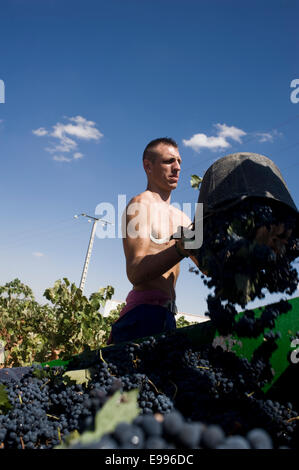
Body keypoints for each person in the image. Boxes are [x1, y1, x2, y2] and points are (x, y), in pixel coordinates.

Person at [107, 137, 195, 345]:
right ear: (148, 166)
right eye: (169, 161)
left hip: (168, 317)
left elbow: (209, 268)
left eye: (180, 162)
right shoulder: (139, 205)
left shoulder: (184, 219)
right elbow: (135, 272)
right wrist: (181, 249)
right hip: (142, 315)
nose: (177, 168)